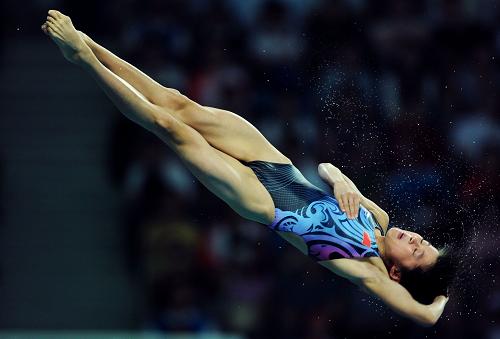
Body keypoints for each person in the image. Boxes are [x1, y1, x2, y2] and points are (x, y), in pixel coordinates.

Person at [41, 10, 453, 327]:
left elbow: (425, 316)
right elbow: (325, 166)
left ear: (397, 271)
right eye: (424, 240)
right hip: (278, 163)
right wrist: (341, 178)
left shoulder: (370, 271)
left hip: (262, 200)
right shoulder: (378, 218)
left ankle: (82, 59)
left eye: (416, 251)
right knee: (177, 102)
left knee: (169, 128)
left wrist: (442, 295)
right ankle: (89, 42)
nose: (416, 238)